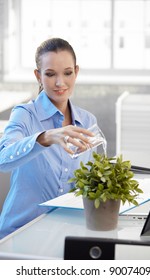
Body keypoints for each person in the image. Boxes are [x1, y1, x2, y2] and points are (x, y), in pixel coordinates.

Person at [0, 38, 97, 239]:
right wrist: (45, 137)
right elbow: (3, 160)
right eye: (51, 74)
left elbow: (89, 183)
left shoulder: (87, 121)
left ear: (76, 72)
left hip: (65, 235)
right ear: (38, 76)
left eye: (68, 73)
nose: (60, 83)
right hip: (18, 234)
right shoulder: (25, 114)